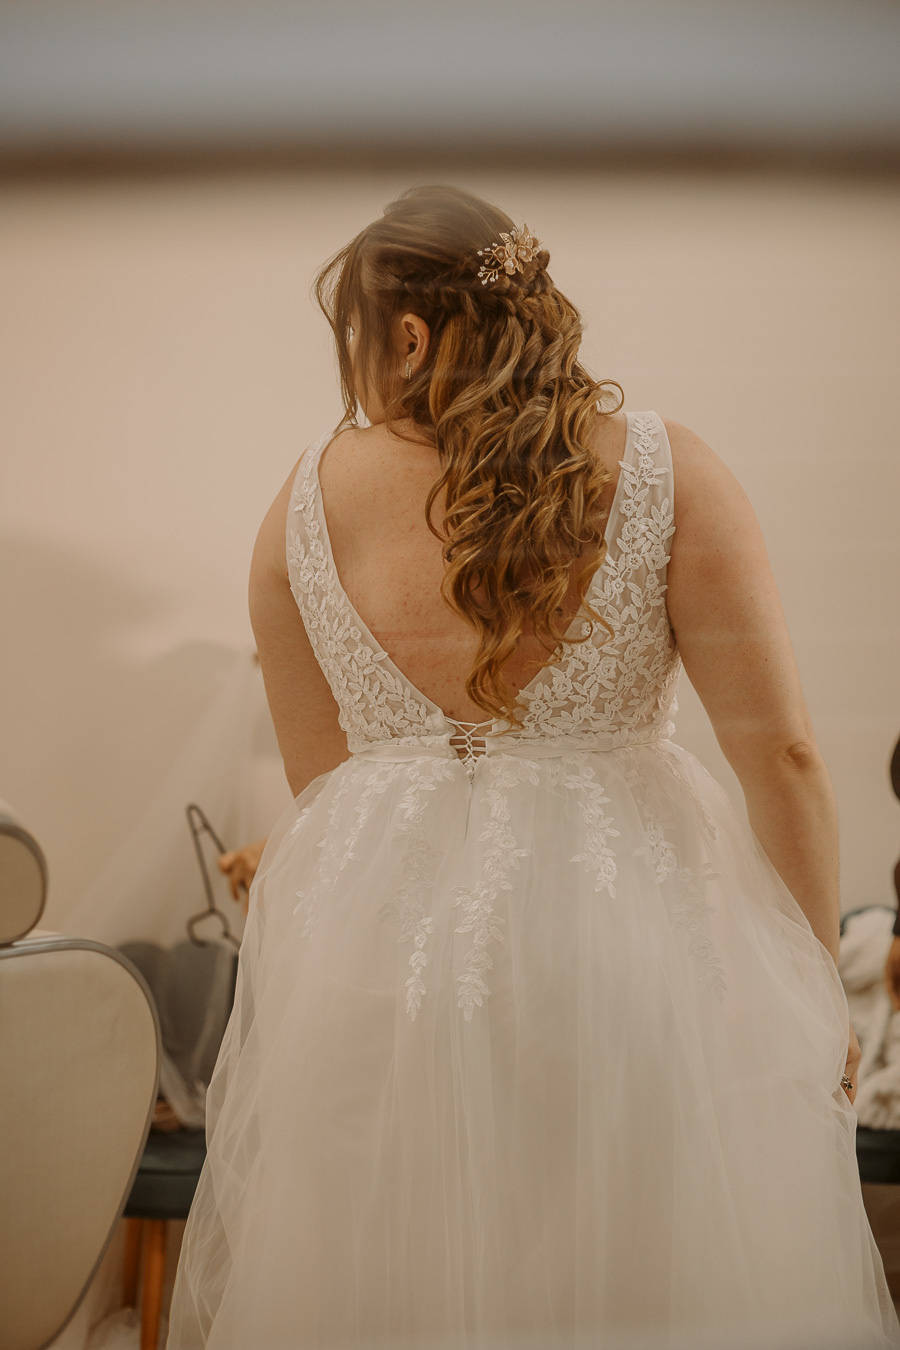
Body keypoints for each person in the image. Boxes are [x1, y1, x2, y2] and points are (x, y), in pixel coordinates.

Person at [166, 185, 899, 1349]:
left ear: (407, 336)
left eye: (352, 334)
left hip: (379, 984)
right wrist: (811, 990)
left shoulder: (299, 507)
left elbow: (323, 793)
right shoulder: (667, 469)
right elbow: (788, 755)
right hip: (623, 967)